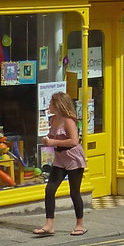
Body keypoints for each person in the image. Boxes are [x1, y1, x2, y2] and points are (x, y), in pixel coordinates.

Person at [33, 92, 87, 237]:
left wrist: (53, 142)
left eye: (51, 103)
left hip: (73, 157)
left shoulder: (68, 121)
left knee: (74, 191)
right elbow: (53, 137)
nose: (49, 105)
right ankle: (49, 225)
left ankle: (80, 224)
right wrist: (47, 140)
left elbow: (74, 141)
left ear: (58, 105)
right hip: (59, 158)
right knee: (50, 189)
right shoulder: (53, 120)